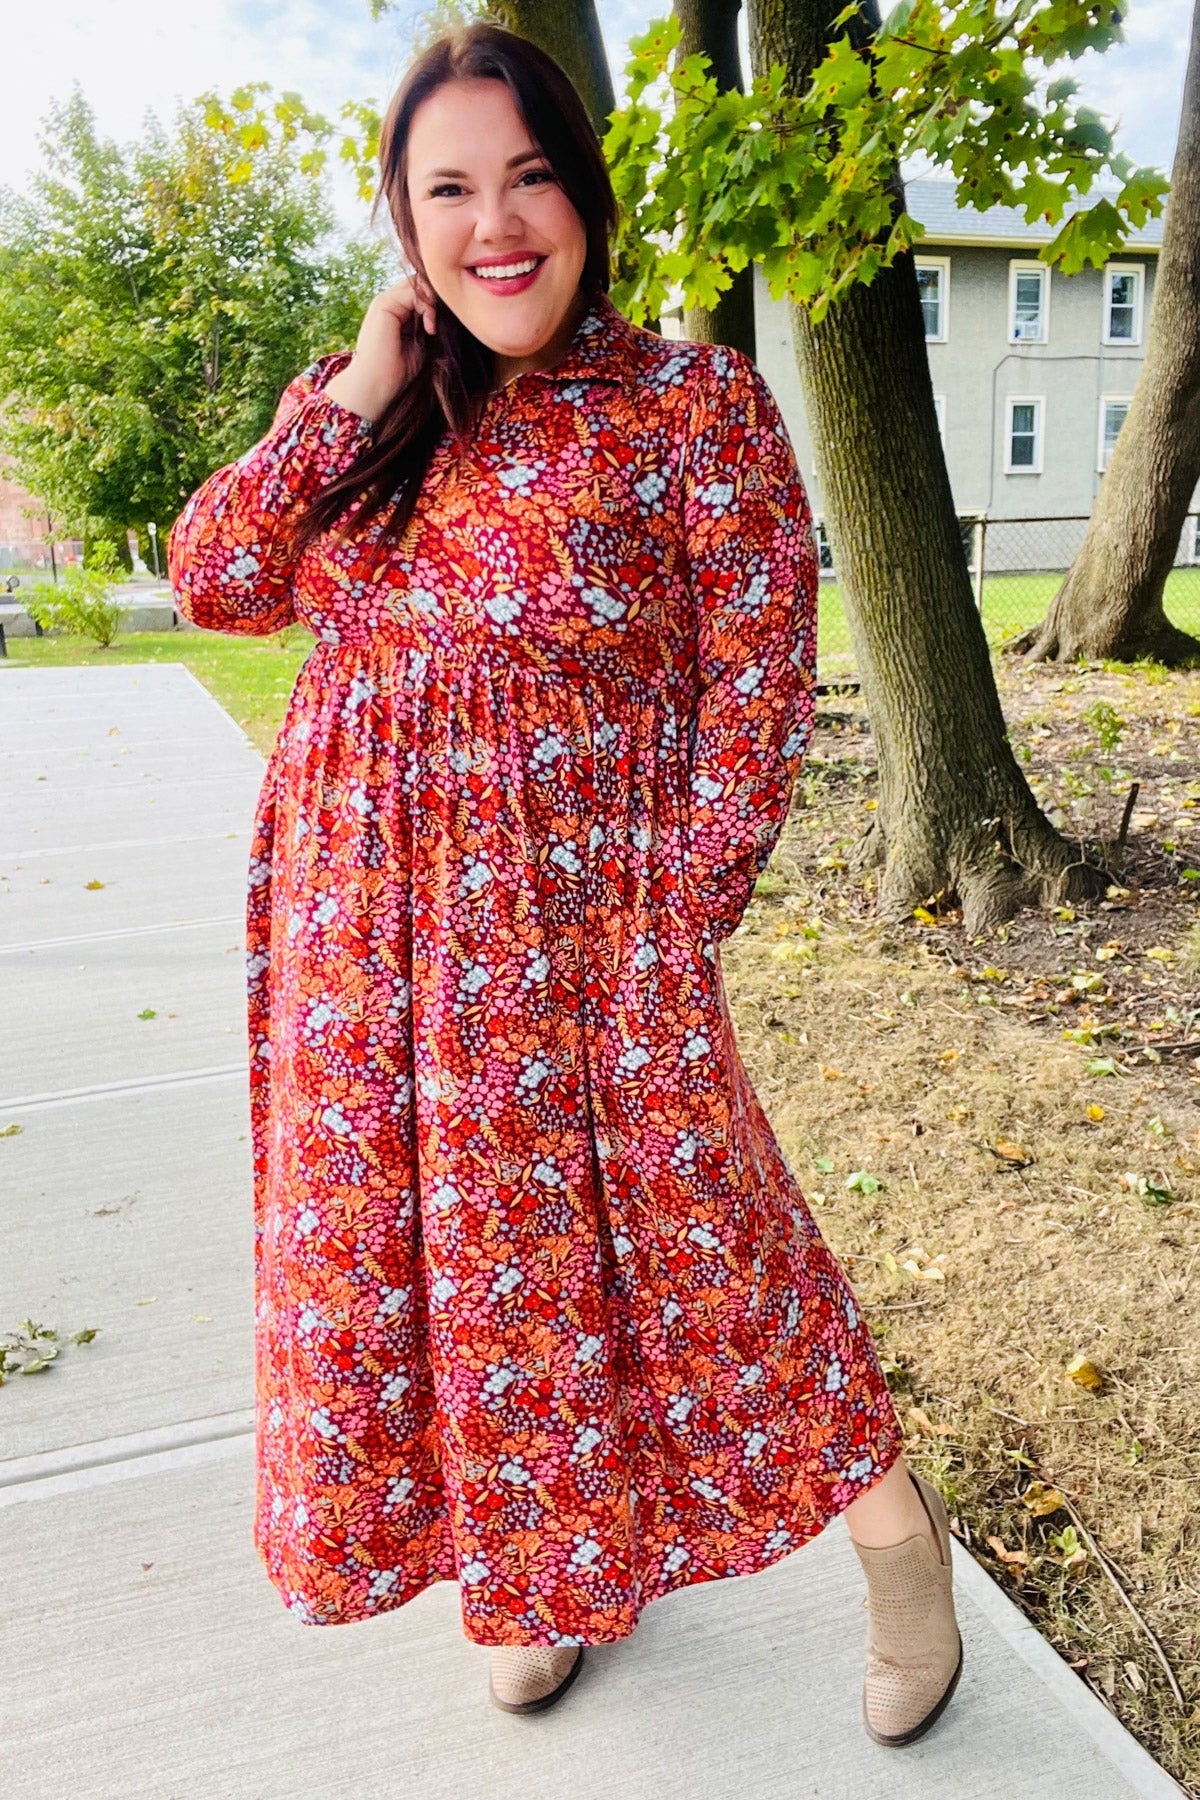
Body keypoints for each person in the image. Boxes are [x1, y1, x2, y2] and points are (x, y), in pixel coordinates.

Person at [167, 20, 962, 1744]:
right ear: (403, 219)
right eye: (447, 188)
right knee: (456, 1294)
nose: (495, 222)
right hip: (359, 964)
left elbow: (754, 696)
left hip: (580, 955)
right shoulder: (376, 412)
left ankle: (901, 1548)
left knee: (713, 1266)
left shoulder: (686, 407)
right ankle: (530, 1578)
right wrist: (365, 381)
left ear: (586, 192)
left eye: (529, 173)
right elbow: (217, 579)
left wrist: (668, 932)